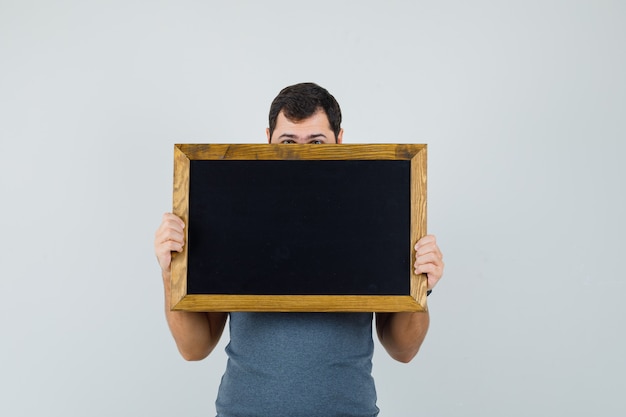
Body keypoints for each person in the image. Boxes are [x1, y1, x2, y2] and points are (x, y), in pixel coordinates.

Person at [154, 82, 444, 417]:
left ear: (339, 140)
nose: (301, 156)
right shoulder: (233, 213)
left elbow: (403, 349)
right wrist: (170, 270)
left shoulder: (375, 211)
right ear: (267, 139)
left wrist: (423, 285)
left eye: (316, 143)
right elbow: (194, 348)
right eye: (288, 142)